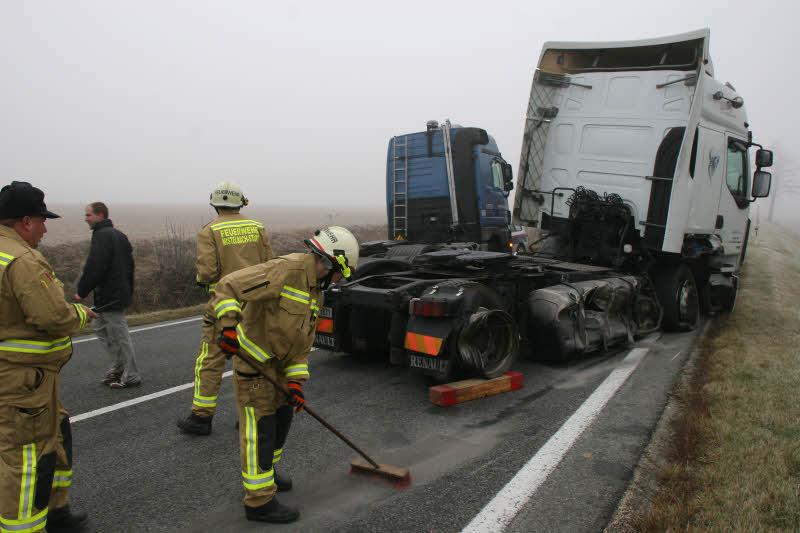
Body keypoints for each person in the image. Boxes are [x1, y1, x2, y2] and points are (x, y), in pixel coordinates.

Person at [211, 226, 359, 523]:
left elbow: (302, 342)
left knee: (282, 420)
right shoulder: (285, 270)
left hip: (279, 367)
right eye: (340, 274)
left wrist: (295, 383)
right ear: (330, 262)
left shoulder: (315, 291)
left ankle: (268, 473)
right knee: (261, 430)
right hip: (255, 364)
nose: (338, 280)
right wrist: (228, 327)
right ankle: (259, 501)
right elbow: (228, 286)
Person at [0, 181, 97, 532]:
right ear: (25, 221)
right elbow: (53, 317)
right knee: (26, 458)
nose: (45, 229)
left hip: (25, 381)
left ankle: (57, 510)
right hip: (22, 381)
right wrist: (81, 314)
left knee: (54, 434)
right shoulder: (23, 260)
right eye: (42, 221)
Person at [177, 181, 273, 436]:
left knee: (211, 359)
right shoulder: (257, 227)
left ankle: (201, 417)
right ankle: (250, 415)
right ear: (241, 203)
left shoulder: (209, 231)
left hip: (223, 305)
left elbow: (207, 273)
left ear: (215, 204)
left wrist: (203, 281)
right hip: (255, 305)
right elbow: (270, 265)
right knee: (253, 360)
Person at [74, 202, 140, 389]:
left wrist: (82, 290)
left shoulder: (102, 236)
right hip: (112, 294)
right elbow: (130, 267)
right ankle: (118, 368)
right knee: (100, 328)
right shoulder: (118, 235)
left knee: (119, 334)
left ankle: (131, 374)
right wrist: (128, 290)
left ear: (100, 215)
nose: (85, 219)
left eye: (88, 215)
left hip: (112, 295)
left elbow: (95, 266)